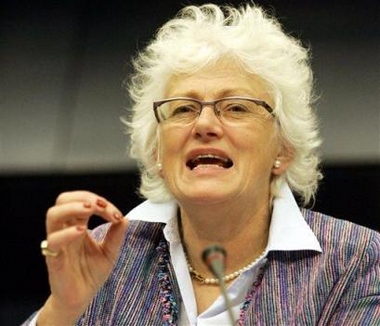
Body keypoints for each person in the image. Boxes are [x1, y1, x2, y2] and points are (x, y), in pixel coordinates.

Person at [22, 2, 379, 325]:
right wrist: (63, 311)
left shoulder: (356, 261)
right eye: (183, 109)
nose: (205, 125)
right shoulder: (105, 253)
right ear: (158, 154)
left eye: (237, 107)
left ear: (282, 149)